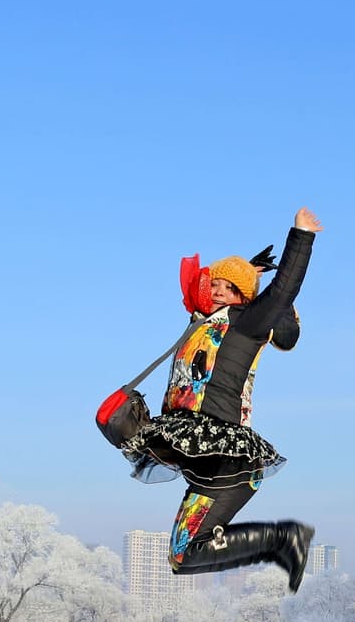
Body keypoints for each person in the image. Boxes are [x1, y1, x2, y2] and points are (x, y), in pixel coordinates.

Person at [119, 208, 322, 590]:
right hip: (205, 461)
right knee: (182, 555)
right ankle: (281, 544)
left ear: (243, 297)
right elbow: (214, 287)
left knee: (187, 550)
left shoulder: (245, 324)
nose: (214, 291)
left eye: (225, 288)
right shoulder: (201, 323)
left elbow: (283, 290)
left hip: (229, 461)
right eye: (212, 285)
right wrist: (245, 268)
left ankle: (285, 538)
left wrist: (301, 235)